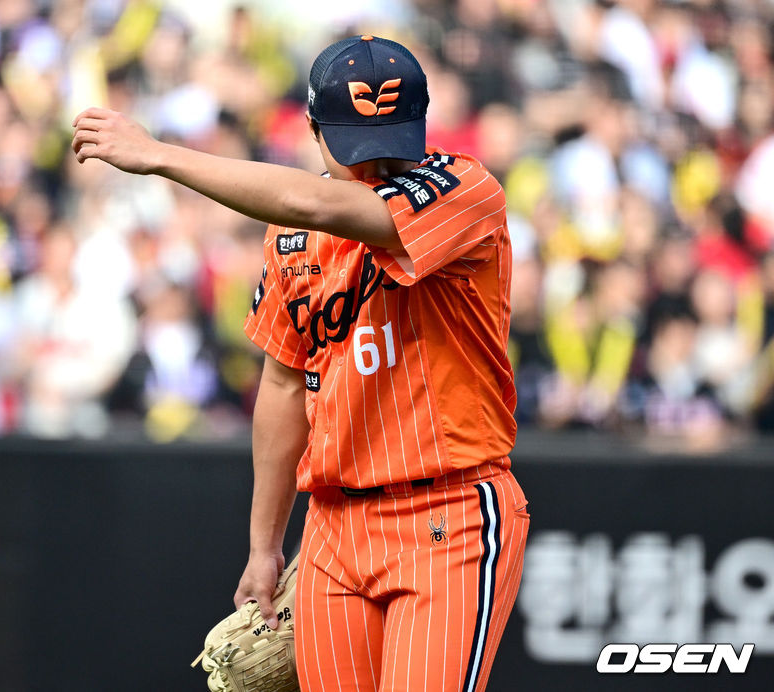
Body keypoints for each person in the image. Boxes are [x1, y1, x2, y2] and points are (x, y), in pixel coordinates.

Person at [72, 35, 528, 692]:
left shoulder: (465, 189)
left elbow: (315, 203)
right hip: (333, 531)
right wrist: (264, 546)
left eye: (391, 144)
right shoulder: (289, 236)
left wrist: (160, 156)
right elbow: (284, 384)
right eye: (355, 147)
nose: (375, 165)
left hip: (447, 514)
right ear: (314, 133)